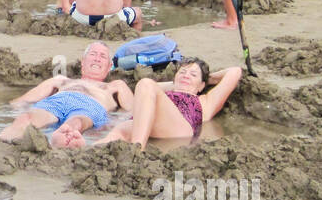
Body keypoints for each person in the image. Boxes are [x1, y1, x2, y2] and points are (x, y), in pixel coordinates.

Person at [0, 42, 133, 147]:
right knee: (26, 119)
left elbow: (134, 112)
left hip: (90, 105)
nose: (97, 59)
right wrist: (16, 111)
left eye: (103, 56)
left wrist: (112, 122)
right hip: (56, 102)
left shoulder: (114, 86)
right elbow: (22, 101)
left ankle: (62, 140)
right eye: (93, 54)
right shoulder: (61, 80)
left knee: (74, 123)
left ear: (110, 66)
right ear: (83, 62)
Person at [91, 58, 242, 148]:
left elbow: (235, 72)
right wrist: (179, 84)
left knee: (145, 84)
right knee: (118, 132)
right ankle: (85, 147)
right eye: (182, 72)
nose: (186, 76)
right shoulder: (162, 92)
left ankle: (136, 150)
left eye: (193, 74)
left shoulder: (205, 101)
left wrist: (207, 79)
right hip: (147, 124)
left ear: (202, 85)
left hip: (180, 128)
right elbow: (143, 90)